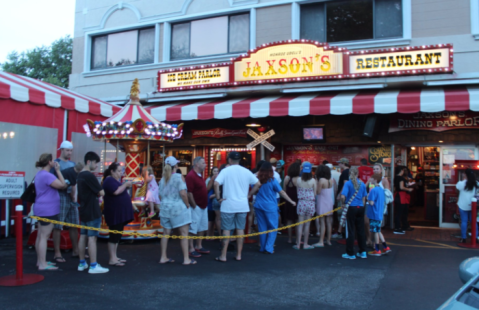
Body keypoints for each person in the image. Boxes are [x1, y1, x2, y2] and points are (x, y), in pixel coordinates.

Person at [214, 152, 260, 262]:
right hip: (242, 205)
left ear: (229, 160)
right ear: (239, 160)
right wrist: (249, 195)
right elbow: (258, 184)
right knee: (240, 229)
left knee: (226, 230)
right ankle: (239, 255)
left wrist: (218, 197)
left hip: (228, 205)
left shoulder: (225, 171)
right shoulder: (246, 171)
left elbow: (216, 183)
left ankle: (223, 256)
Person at [248, 162, 296, 254]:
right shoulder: (272, 180)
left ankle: (262, 247)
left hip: (259, 205)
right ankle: (269, 248)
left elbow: (254, 192)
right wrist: (291, 201)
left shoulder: (256, 180)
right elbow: (282, 192)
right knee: (273, 227)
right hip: (270, 207)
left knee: (262, 227)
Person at [158, 156, 196, 265]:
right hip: (178, 208)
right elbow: (183, 193)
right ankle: (186, 259)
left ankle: (163, 257)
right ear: (176, 166)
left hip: (165, 209)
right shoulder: (179, 177)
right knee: (184, 234)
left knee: (166, 234)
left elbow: (160, 195)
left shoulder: (162, 179)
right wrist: (188, 204)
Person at [77, 152, 109, 274]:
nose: (96, 166)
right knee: (92, 238)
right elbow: (102, 192)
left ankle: (82, 263)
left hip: (84, 209)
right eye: (95, 163)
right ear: (89, 162)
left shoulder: (80, 175)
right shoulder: (89, 176)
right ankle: (93, 265)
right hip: (92, 210)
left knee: (83, 236)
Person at [34, 153, 67, 271]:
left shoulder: (39, 174)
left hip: (41, 207)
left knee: (40, 235)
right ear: (49, 162)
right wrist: (58, 171)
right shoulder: (47, 175)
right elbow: (62, 185)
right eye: (53, 160)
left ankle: (40, 261)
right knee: (44, 236)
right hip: (48, 209)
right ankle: (43, 264)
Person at [51, 141, 79, 263]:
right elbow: (53, 181)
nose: (69, 152)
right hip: (60, 195)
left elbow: (76, 182)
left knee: (74, 224)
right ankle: (57, 252)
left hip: (72, 196)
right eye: (67, 150)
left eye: (71, 150)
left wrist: (75, 196)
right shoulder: (56, 164)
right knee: (58, 225)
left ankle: (76, 250)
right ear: (61, 150)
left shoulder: (73, 164)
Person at [102, 162, 134, 267]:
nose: (120, 174)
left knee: (117, 235)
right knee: (114, 236)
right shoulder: (109, 180)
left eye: (121, 171)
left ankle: (114, 257)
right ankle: (112, 258)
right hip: (114, 213)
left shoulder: (114, 180)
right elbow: (115, 192)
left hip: (119, 213)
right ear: (112, 171)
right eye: (119, 171)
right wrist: (125, 185)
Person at [341, 167, 368, 259]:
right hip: (360, 207)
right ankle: (362, 251)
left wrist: (343, 204)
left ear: (349, 174)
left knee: (350, 230)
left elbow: (343, 196)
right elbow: (364, 198)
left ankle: (350, 253)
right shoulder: (362, 184)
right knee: (361, 230)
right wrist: (361, 206)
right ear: (358, 174)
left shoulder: (348, 183)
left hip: (351, 208)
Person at [185, 156, 209, 258]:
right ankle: (191, 248)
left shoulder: (200, 175)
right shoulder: (191, 176)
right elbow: (189, 192)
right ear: (197, 164)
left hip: (203, 205)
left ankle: (199, 245)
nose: (205, 165)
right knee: (193, 228)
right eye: (203, 163)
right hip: (196, 206)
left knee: (202, 227)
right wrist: (194, 205)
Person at [366, 173, 392, 256]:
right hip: (379, 213)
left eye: (372, 179)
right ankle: (385, 247)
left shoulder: (373, 190)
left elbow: (371, 202)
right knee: (378, 231)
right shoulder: (381, 189)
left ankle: (377, 250)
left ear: (375, 180)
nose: (370, 180)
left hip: (374, 213)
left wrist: (368, 197)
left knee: (375, 231)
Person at [293, 162, 316, 250]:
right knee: (307, 225)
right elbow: (315, 193)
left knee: (300, 224)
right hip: (310, 203)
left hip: (301, 202)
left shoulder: (298, 180)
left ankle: (298, 244)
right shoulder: (313, 181)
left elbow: (297, 191)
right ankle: (305, 244)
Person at [313, 165, 335, 247]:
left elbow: (317, 192)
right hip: (329, 201)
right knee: (328, 222)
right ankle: (328, 240)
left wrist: (315, 183)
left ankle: (321, 241)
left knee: (322, 222)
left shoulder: (321, 180)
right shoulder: (330, 180)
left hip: (322, 201)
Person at [456, 168, 479, 243]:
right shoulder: (476, 183)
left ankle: (463, 238)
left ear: (465, 174)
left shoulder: (462, 183)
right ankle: (475, 237)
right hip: (472, 205)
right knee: (473, 222)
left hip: (463, 205)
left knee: (464, 221)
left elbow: (457, 187)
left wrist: (463, 179)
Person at [283, 162, 300, 243]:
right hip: (297, 201)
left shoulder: (287, 178)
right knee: (297, 221)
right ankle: (297, 239)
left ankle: (289, 239)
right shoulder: (299, 179)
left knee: (289, 220)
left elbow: (284, 190)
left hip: (288, 201)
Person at [394, 166, 414, 234]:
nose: (404, 171)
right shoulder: (400, 178)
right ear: (401, 171)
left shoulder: (396, 177)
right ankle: (398, 227)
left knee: (402, 212)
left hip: (399, 196)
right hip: (401, 196)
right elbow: (401, 187)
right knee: (400, 212)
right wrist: (409, 189)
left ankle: (403, 226)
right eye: (403, 170)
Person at [334, 158, 350, 239]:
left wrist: (340, 194)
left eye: (340, 163)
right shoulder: (349, 171)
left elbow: (345, 184)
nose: (338, 164)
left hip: (344, 196)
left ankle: (340, 232)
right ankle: (344, 231)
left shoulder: (344, 172)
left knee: (341, 214)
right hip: (348, 197)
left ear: (344, 163)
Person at [206, 167, 219, 238]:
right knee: (211, 218)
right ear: (212, 172)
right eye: (214, 171)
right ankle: (208, 235)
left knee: (214, 218)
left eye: (217, 171)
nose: (216, 172)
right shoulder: (210, 179)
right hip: (211, 200)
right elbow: (207, 189)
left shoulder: (219, 178)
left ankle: (212, 234)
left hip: (213, 199)